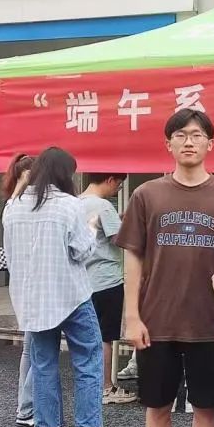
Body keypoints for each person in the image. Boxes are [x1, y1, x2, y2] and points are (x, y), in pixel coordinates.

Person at [116, 109, 214, 427]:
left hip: (210, 321)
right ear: (168, 143)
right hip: (157, 321)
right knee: (157, 406)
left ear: (210, 144)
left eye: (198, 135)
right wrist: (132, 315)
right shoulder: (146, 195)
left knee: (206, 407)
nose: (189, 141)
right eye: (181, 135)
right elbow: (133, 258)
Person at [3, 147, 125, 427]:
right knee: (89, 356)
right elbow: (82, 251)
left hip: (32, 298)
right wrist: (91, 228)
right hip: (70, 294)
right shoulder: (68, 205)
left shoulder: (13, 207)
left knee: (43, 361)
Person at [80, 173, 134, 405]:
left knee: (86, 336)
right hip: (106, 279)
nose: (118, 190)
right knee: (105, 337)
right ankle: (105, 387)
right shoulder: (103, 206)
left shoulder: (75, 202)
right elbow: (120, 239)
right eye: (119, 185)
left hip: (83, 279)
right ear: (110, 180)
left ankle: (89, 385)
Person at [1, 152, 37, 427]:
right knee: (39, 352)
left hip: (21, 287)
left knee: (30, 349)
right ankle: (26, 411)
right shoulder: (33, 207)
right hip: (39, 288)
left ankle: (25, 410)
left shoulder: (11, 207)